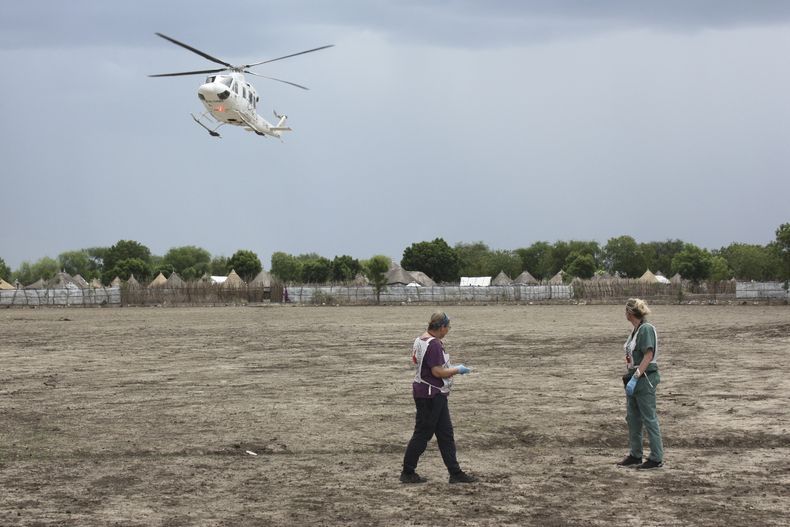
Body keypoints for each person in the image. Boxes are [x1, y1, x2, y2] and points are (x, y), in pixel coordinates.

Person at [400, 312, 478, 484]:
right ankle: (407, 471)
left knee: (445, 434)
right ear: (441, 327)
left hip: (431, 393)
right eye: (447, 327)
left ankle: (455, 473)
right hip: (431, 395)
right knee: (423, 434)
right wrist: (458, 369)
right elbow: (437, 371)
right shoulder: (434, 344)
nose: (448, 331)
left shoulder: (421, 339)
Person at [617, 298, 665, 469]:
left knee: (649, 418)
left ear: (630, 313)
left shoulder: (645, 329)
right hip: (634, 378)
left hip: (644, 379)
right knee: (633, 418)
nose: (625, 314)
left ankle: (656, 457)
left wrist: (636, 376)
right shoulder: (636, 331)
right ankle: (635, 454)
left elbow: (648, 355)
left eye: (626, 311)